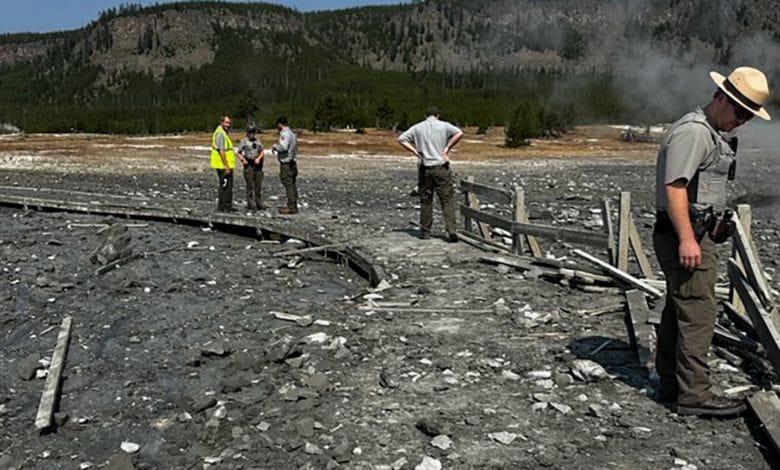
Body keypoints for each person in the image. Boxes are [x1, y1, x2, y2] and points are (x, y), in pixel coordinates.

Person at [653, 66, 771, 417]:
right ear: (722, 98)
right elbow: (675, 187)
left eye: (749, 116)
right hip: (685, 234)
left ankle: (672, 383)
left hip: (693, 231)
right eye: (740, 112)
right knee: (699, 311)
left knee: (681, 308)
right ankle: (695, 395)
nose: (743, 121)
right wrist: (688, 238)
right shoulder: (695, 133)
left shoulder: (707, 132)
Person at [398, 106, 464, 242]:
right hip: (440, 166)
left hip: (424, 166)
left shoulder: (417, 127)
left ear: (426, 115)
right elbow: (459, 133)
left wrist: (415, 151)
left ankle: (425, 231)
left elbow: (401, 139)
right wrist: (447, 148)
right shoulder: (444, 126)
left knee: (426, 200)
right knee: (446, 199)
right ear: (438, 115)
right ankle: (451, 230)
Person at [272, 116, 299, 214]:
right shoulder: (292, 134)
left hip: (286, 163)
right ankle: (293, 203)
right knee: (292, 183)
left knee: (288, 184)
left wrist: (275, 147)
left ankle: (291, 206)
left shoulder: (285, 134)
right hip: (292, 161)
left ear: (280, 124)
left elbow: (283, 147)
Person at [211, 114, 236, 212]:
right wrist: (226, 166)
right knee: (226, 186)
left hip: (223, 164)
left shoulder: (223, 133)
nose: (228, 125)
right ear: (221, 122)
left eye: (229, 123)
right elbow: (222, 151)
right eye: (226, 122)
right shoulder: (221, 134)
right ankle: (225, 206)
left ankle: (224, 206)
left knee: (225, 185)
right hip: (223, 165)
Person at [236, 125, 266, 210]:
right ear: (247, 133)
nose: (252, 134)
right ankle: (250, 203)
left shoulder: (258, 141)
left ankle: (258, 202)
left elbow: (262, 152)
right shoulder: (244, 142)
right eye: (250, 132)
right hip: (248, 163)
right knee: (250, 185)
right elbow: (239, 152)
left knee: (258, 184)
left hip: (258, 164)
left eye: (253, 132)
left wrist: (259, 158)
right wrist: (243, 160)